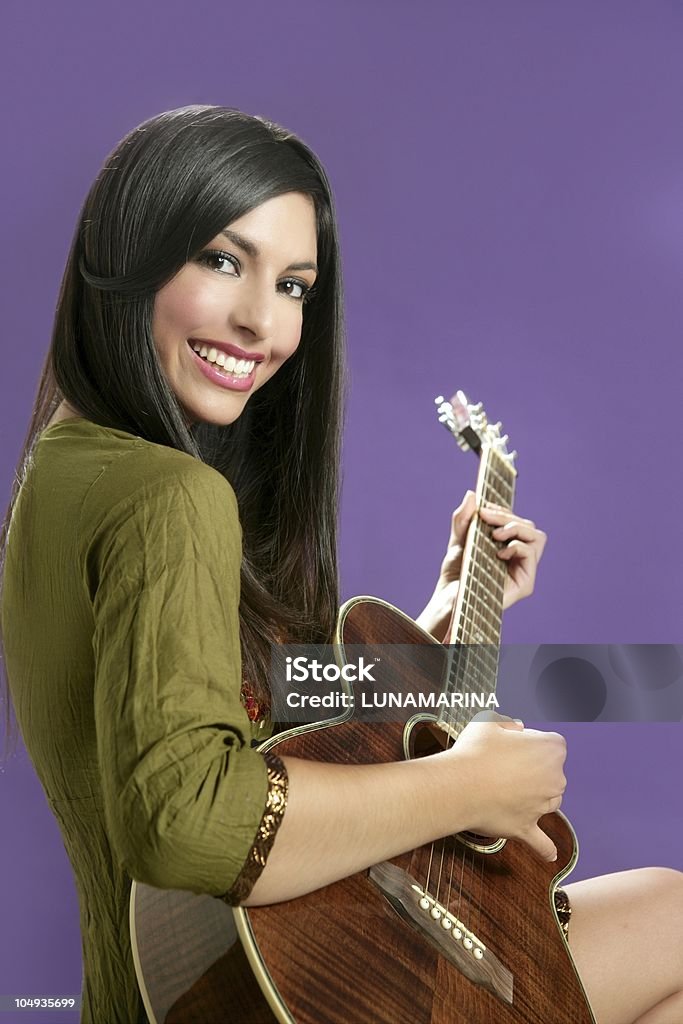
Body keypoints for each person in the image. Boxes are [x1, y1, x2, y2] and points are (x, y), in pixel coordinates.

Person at [0, 104, 681, 1024]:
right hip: (266, 984)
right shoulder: (172, 497)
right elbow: (189, 820)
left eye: (294, 285)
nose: (260, 324)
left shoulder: (64, 466)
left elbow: (235, 717)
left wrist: (442, 618)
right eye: (222, 260)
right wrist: (466, 785)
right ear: (128, 253)